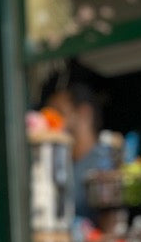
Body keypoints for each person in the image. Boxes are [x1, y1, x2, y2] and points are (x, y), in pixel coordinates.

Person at [43, 78, 115, 221]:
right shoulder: (55, 166)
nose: (50, 123)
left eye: (59, 113)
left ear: (84, 113)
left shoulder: (107, 161)